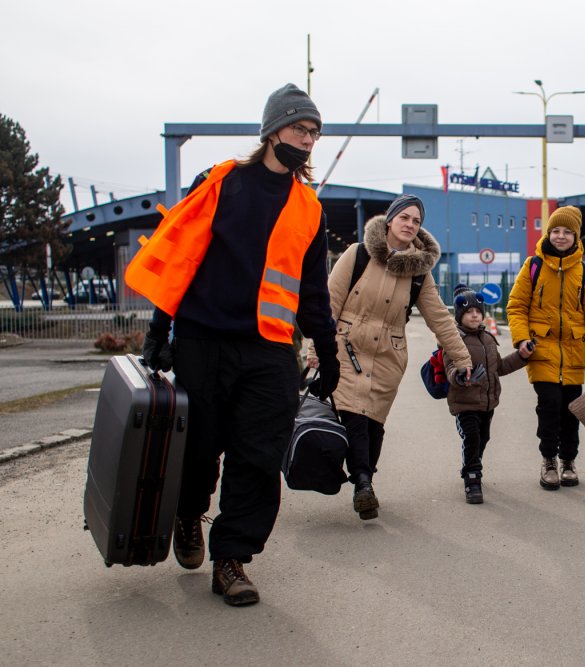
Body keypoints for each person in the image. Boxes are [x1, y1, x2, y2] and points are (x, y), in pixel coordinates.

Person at [126, 83, 340, 606]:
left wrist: (329, 351)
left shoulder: (309, 209)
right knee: (200, 448)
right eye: (299, 128)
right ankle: (189, 508)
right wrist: (160, 330)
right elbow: (180, 255)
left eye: (314, 132)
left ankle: (232, 559)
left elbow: (313, 290)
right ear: (272, 130)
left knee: (259, 456)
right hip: (205, 339)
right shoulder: (221, 183)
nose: (307, 140)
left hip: (269, 349)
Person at [308, 194, 472, 520]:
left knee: (373, 424)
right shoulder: (357, 254)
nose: (410, 224)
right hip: (347, 350)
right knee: (353, 414)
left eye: (416, 221)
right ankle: (363, 484)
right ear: (390, 219)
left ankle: (364, 476)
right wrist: (315, 348)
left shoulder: (419, 273)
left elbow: (439, 317)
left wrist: (462, 358)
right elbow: (329, 303)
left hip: (388, 356)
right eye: (405, 218)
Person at [506, 206, 585, 490]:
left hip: (575, 351)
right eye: (556, 231)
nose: (561, 236)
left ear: (576, 236)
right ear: (548, 233)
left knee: (570, 410)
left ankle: (568, 461)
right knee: (549, 406)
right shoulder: (533, 266)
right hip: (541, 349)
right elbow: (516, 306)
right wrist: (520, 340)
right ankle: (549, 460)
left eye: (567, 232)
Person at [443, 284, 532, 504]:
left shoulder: (488, 339)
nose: (474, 315)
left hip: (487, 403)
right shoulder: (455, 341)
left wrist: (522, 356)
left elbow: (499, 368)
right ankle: (472, 477)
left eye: (478, 311)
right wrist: (461, 376)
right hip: (465, 402)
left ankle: (474, 462)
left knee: (483, 438)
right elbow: (449, 369)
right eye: (469, 312)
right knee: (471, 437)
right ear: (459, 315)